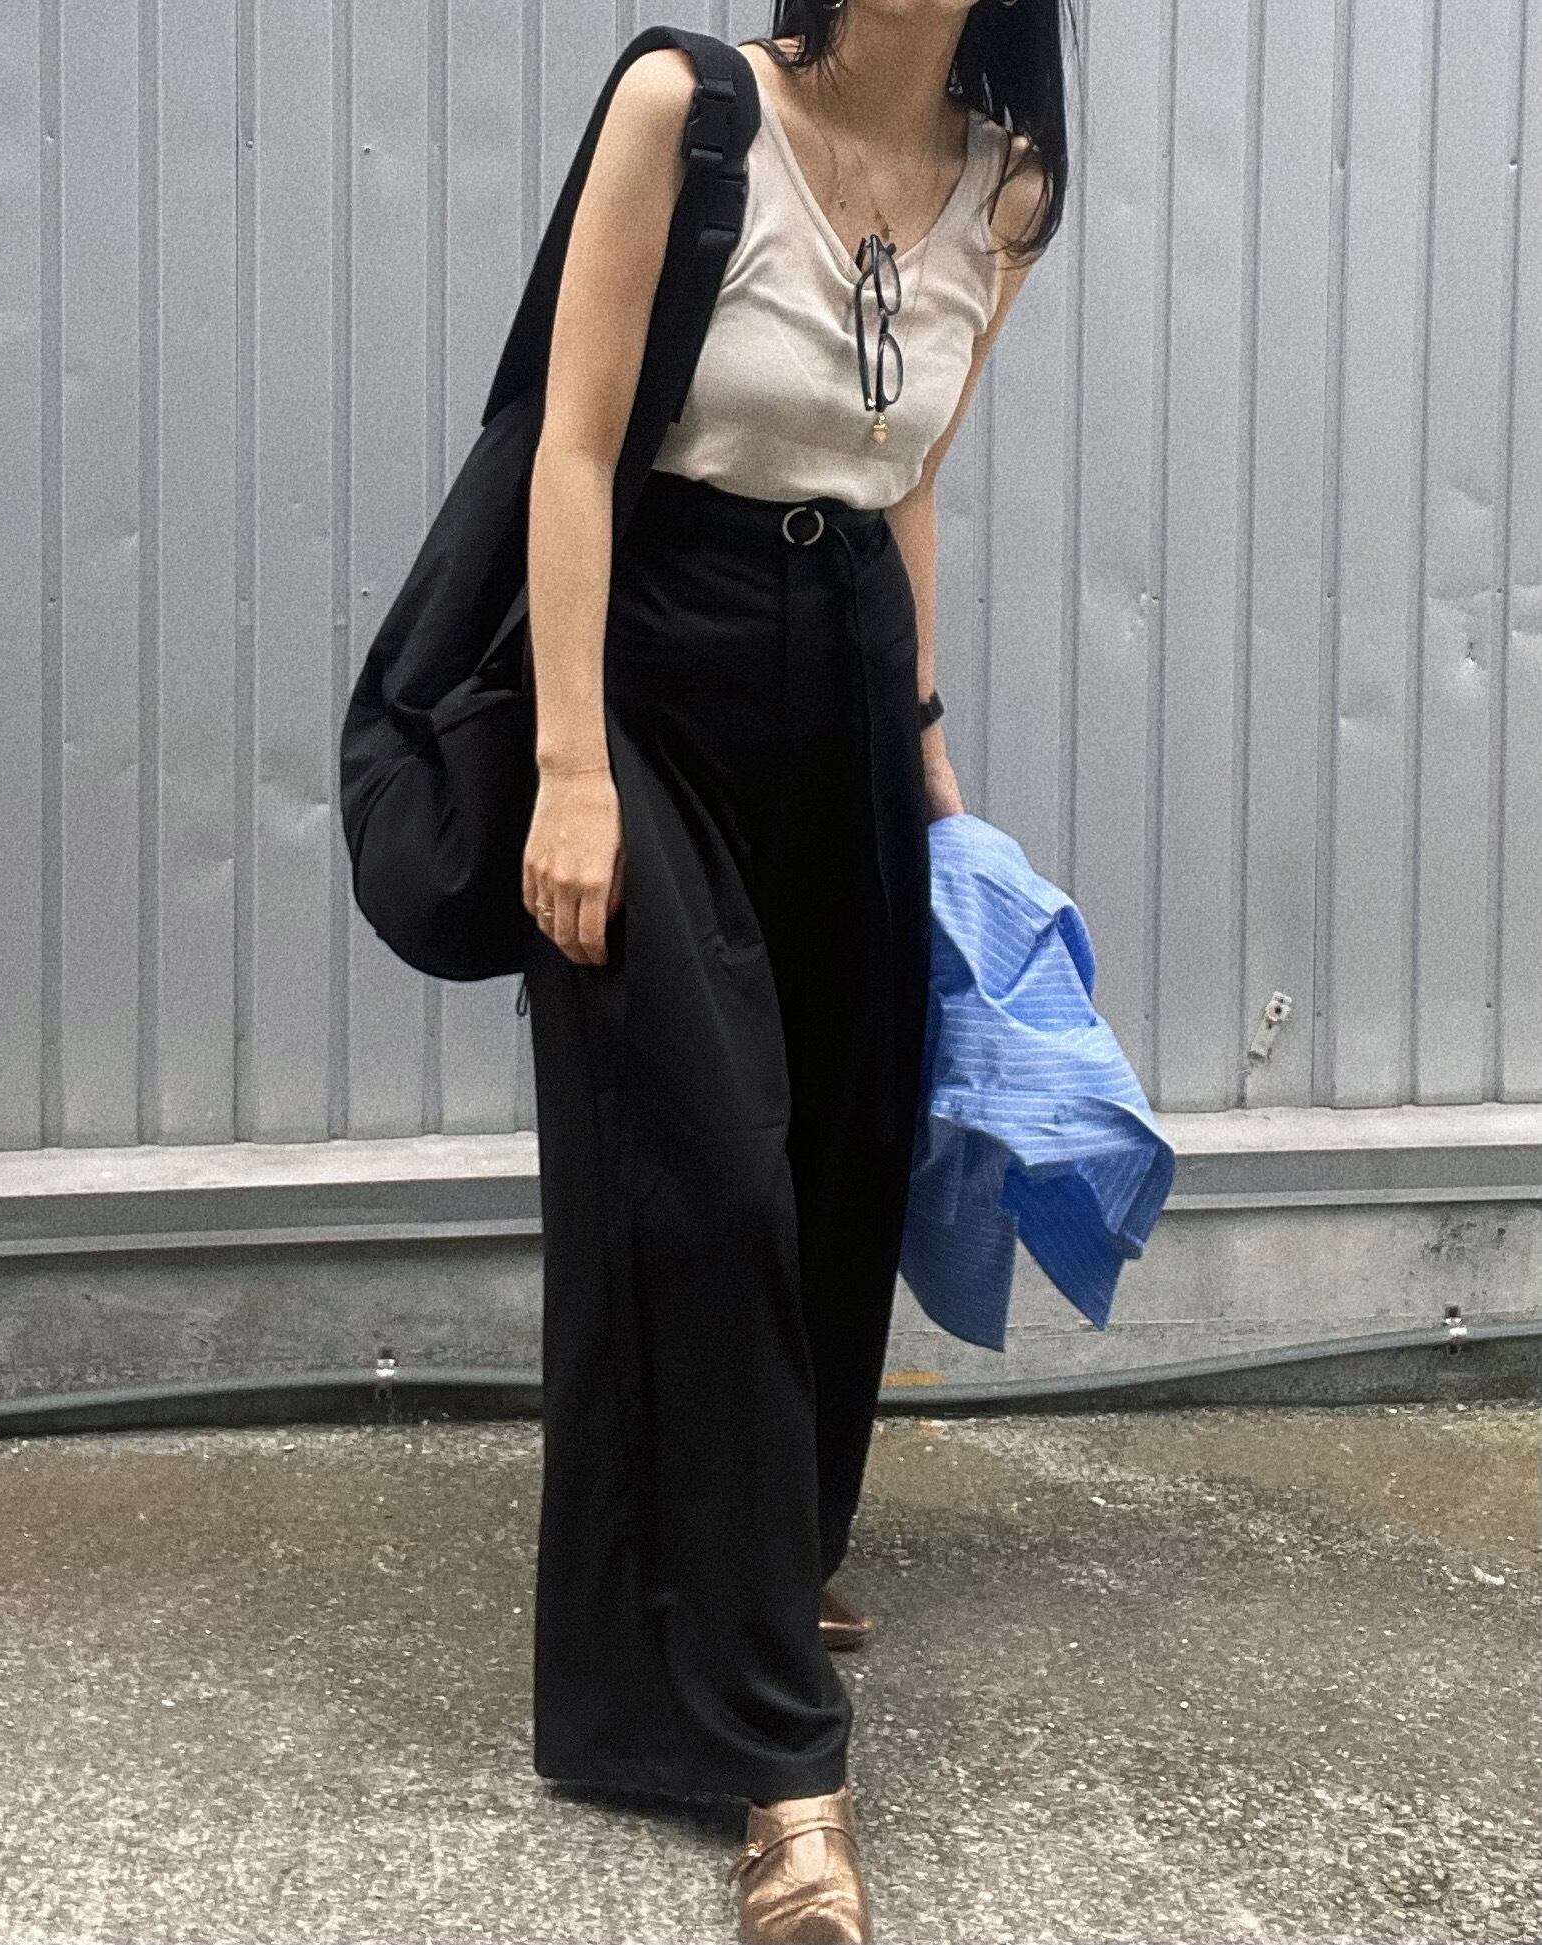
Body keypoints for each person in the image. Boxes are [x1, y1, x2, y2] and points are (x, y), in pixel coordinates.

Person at [518, 4, 1065, 1937]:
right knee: (712, 1173)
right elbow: (573, 448)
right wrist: (568, 769)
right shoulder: (689, 105)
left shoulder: (1006, 186)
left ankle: (765, 1549)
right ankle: (783, 1768)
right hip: (650, 673)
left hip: (842, 668)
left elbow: (902, 476)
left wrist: (920, 738)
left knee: (841, 1155)